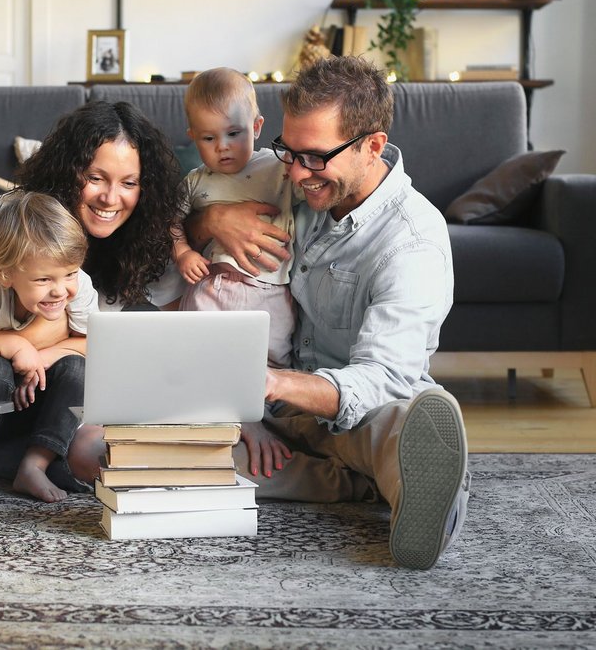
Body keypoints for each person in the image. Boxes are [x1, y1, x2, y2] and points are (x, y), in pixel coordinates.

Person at [187, 55, 470, 570]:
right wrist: (212, 218)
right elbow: (199, 201)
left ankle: (412, 479)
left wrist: (270, 382)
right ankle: (362, 486)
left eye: (314, 157)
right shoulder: (295, 186)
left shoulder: (413, 243)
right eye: (288, 152)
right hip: (277, 418)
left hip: (363, 406)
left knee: (396, 423)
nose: (295, 172)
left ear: (373, 146)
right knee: (169, 459)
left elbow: (380, 377)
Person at [0, 99, 185, 500]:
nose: (112, 198)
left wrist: (48, 352)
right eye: (96, 177)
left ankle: (28, 462)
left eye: (129, 183)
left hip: (61, 402)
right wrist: (19, 343)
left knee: (116, 461)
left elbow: (121, 355)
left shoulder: (144, 242)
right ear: (68, 170)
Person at [0, 190, 99, 503]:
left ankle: (34, 464)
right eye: (43, 280)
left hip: (32, 397)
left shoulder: (78, 285)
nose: (60, 290)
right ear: (5, 274)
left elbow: (93, 343)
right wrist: (13, 344)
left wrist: (41, 357)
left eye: (68, 273)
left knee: (78, 368)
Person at [173, 67, 298, 369]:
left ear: (256, 127)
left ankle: (274, 411)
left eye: (233, 133)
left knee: (272, 365)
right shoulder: (195, 181)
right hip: (213, 285)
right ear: (193, 137)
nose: (223, 146)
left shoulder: (278, 167)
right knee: (194, 358)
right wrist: (183, 252)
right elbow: (170, 219)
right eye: (208, 137)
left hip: (270, 290)